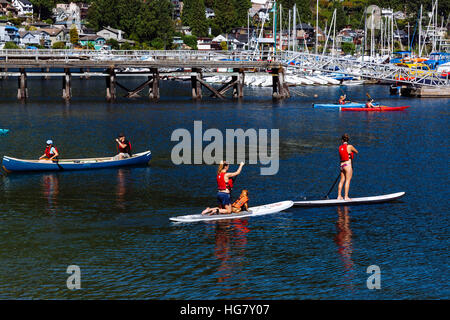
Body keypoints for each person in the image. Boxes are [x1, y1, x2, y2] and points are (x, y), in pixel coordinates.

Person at [337, 134, 358, 201]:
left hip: (342, 166)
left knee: (341, 181)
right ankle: (346, 197)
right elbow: (357, 152)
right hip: (348, 165)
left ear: (342, 140)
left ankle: (339, 196)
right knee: (347, 181)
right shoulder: (350, 146)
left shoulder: (340, 147)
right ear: (348, 140)